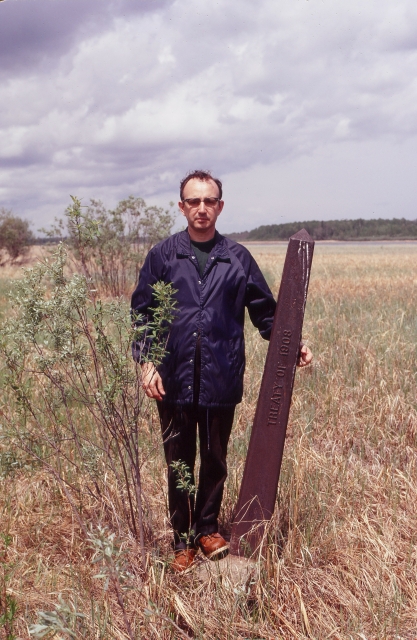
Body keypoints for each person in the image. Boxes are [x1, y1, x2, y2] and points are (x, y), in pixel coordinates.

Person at [131, 170, 312, 572]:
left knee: (214, 458)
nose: (201, 208)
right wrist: (146, 363)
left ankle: (207, 528)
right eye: (193, 201)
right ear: (181, 207)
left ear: (220, 206)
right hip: (172, 380)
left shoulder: (237, 258)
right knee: (178, 461)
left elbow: (268, 315)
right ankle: (182, 540)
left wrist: (293, 345)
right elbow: (142, 315)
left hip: (221, 377)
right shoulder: (163, 256)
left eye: (208, 201)